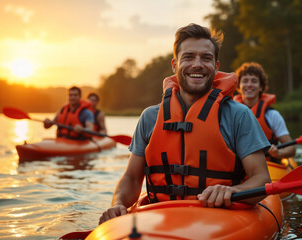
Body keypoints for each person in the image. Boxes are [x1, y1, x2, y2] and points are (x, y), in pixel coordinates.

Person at [99, 23, 271, 224]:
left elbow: (261, 178)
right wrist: (118, 203)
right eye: (188, 57)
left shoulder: (239, 115)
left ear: (216, 67)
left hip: (221, 217)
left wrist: (232, 191)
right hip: (160, 216)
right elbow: (132, 178)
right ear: (175, 65)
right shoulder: (150, 117)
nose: (197, 64)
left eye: (206, 58)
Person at [234, 62, 295, 163]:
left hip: (269, 165)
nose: (249, 84)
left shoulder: (272, 115)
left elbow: (291, 149)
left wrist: (278, 153)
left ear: (261, 87)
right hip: (240, 166)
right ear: (239, 86)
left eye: (254, 81)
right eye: (245, 81)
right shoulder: (230, 113)